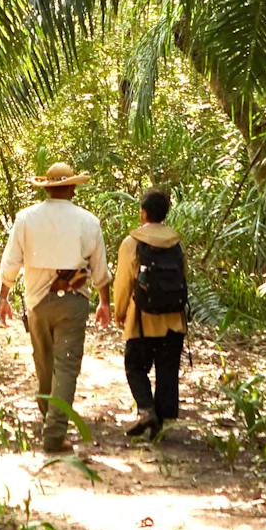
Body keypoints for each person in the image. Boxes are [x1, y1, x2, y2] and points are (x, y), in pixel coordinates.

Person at [0, 161, 107, 454]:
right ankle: (55, 432)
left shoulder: (26, 218)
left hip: (37, 301)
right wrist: (104, 302)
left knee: (44, 363)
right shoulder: (88, 221)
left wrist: (3, 296)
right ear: (71, 188)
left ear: (47, 188)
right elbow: (100, 269)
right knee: (66, 367)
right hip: (73, 301)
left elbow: (11, 262)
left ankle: (50, 419)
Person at [105, 188, 188, 439]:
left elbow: (122, 283)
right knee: (167, 369)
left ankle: (146, 409)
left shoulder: (132, 243)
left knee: (135, 366)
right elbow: (184, 278)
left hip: (141, 318)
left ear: (143, 213)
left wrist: (119, 312)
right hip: (173, 320)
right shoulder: (177, 242)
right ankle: (161, 423)